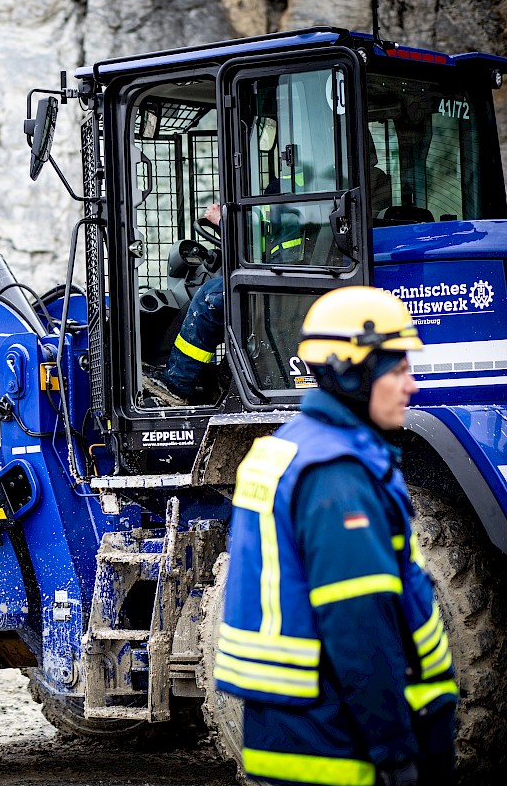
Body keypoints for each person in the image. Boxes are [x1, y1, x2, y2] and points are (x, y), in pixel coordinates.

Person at [215, 286, 458, 786]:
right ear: (353, 373)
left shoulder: (296, 448)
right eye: (398, 370)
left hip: (306, 734)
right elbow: (358, 624)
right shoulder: (337, 476)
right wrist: (395, 753)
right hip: (338, 748)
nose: (411, 386)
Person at [147, 203, 224, 405]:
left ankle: (177, 384)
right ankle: (224, 379)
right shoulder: (285, 190)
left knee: (208, 296)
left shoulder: (279, 195)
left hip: (273, 281)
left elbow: (266, 231)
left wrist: (222, 221)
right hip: (275, 277)